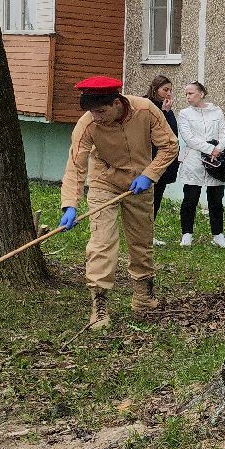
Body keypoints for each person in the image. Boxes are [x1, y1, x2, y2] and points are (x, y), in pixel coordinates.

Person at [58, 76, 179, 329]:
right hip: (105, 183)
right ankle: (99, 305)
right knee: (102, 242)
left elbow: (169, 146)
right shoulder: (88, 124)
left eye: (101, 111)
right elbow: (75, 166)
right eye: (92, 112)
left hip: (139, 184)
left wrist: (149, 174)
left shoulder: (146, 110)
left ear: (116, 103)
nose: (96, 117)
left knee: (141, 241)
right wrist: (70, 204)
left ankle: (143, 297)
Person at [175, 81, 225, 248]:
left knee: (216, 198)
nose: (187, 97)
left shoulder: (216, 111)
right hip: (194, 160)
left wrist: (219, 148)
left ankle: (218, 234)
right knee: (190, 198)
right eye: (186, 94)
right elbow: (188, 137)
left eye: (191, 93)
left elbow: (224, 132)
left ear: (201, 93)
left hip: (216, 161)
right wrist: (210, 149)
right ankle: (187, 233)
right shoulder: (184, 114)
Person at [145, 75, 180, 243]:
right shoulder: (146, 104)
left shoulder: (166, 107)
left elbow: (172, 132)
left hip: (164, 158)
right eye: (165, 90)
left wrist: (167, 112)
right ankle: (141, 233)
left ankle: (149, 234)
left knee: (157, 196)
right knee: (146, 198)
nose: (168, 93)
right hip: (148, 156)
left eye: (170, 90)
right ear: (155, 88)